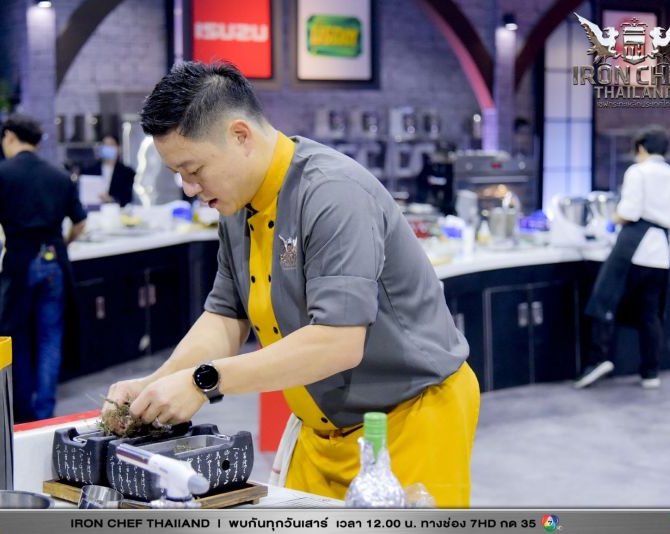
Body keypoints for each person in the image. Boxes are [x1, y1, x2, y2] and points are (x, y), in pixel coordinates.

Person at [103, 62, 480, 506]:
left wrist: (204, 381)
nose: (188, 188)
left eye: (194, 169)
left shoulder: (332, 193)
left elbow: (338, 343)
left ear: (240, 135)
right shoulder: (237, 206)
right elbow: (225, 315)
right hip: (321, 429)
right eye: (179, 175)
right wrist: (157, 384)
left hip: (410, 420)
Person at [0, 114, 88, 422]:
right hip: (54, 261)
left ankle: (24, 414)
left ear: (10, 137)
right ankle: (45, 412)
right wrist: (64, 242)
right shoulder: (59, 175)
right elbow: (81, 223)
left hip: (20, 262)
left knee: (17, 336)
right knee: (50, 337)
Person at [575, 127, 670, 390]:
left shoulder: (638, 172)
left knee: (604, 300)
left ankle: (598, 359)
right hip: (660, 253)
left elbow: (629, 212)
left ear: (642, 148)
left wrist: (608, 220)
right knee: (651, 315)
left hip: (633, 246)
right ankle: (650, 372)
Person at [83, 135, 136, 206]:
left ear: (118, 148)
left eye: (111, 144)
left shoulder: (127, 172)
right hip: (94, 209)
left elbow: (128, 197)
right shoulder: (89, 171)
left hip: (117, 210)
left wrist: (111, 199)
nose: (107, 147)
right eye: (105, 144)